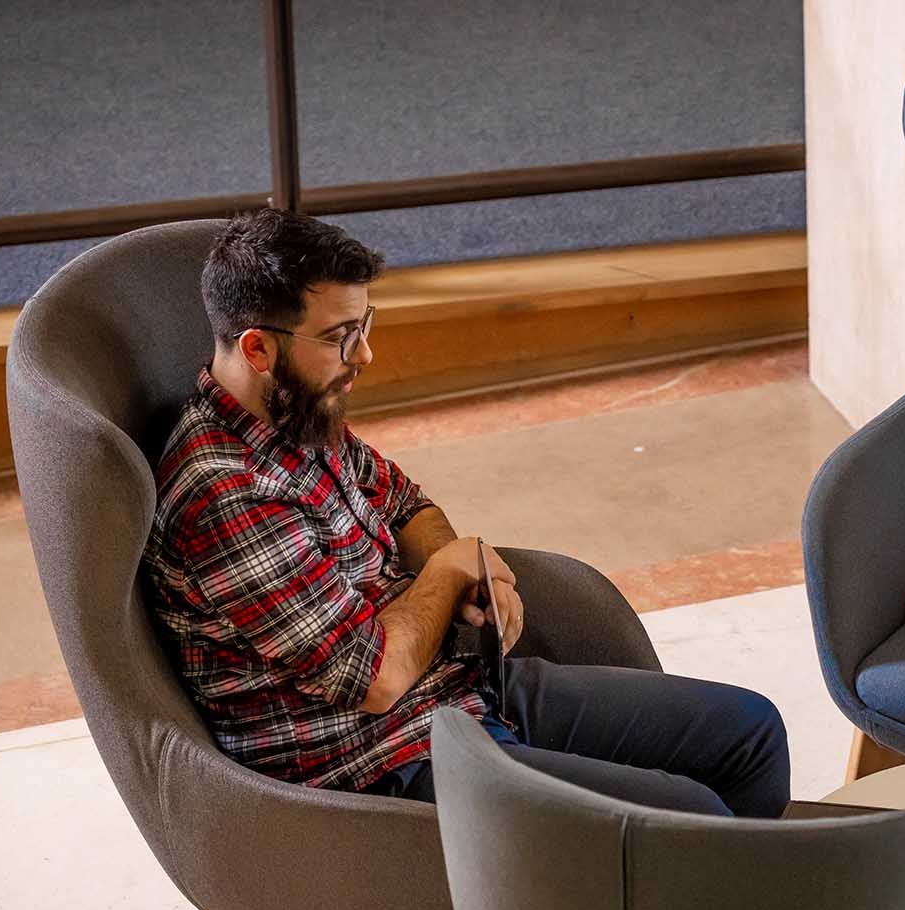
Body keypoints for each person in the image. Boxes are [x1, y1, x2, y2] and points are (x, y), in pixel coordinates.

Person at [141, 209, 789, 816]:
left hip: (457, 690)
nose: (364, 356)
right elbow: (377, 677)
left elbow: (402, 500)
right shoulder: (225, 495)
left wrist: (468, 560)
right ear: (258, 349)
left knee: (752, 735)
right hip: (377, 764)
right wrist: (451, 573)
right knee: (694, 819)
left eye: (365, 326)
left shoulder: (292, 412)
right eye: (341, 337)